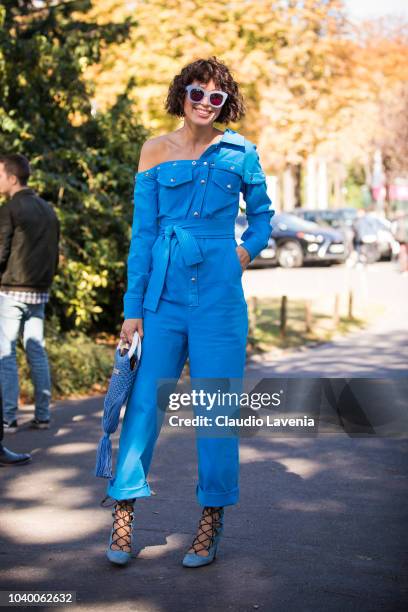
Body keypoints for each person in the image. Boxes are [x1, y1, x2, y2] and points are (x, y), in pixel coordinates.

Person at [101, 57, 274, 568]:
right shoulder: (154, 151)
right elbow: (144, 235)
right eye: (196, 93)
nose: (204, 103)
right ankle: (124, 513)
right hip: (162, 298)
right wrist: (133, 308)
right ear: (182, 95)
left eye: (215, 97)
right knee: (144, 409)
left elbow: (263, 218)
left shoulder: (241, 153)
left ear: (225, 104)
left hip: (220, 300)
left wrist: (247, 251)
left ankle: (210, 522)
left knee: (216, 411)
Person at [0, 153, 60, 433]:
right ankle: (43, 415)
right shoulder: (48, 209)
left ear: (12, 178)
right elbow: (54, 254)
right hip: (40, 292)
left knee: (6, 353)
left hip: (11, 291)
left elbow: (1, 251)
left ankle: (8, 418)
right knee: (36, 351)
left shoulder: (10, 209)